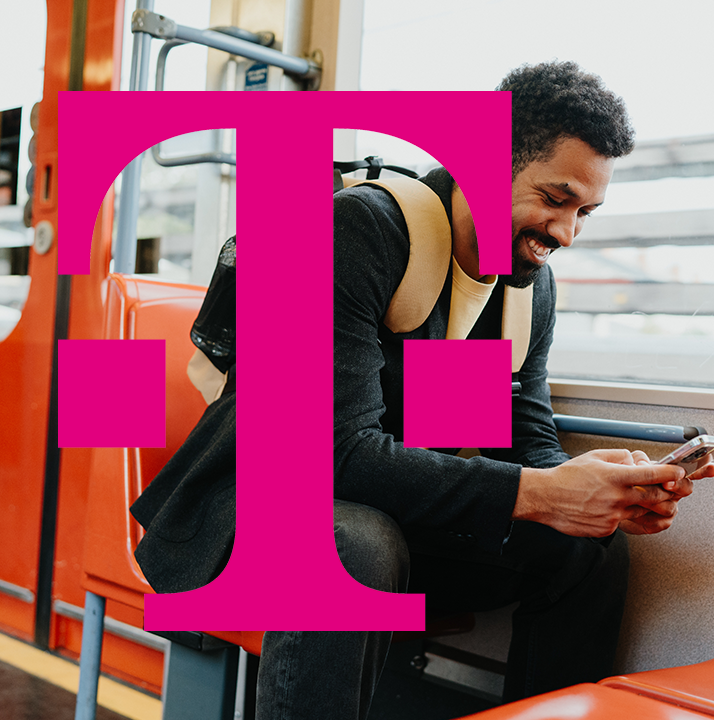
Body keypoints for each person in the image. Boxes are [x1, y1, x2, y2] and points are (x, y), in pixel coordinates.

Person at [254, 61, 714, 720]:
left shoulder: (523, 283)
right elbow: (337, 457)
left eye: (583, 211)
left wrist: (589, 493)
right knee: (355, 545)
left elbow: (521, 439)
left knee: (586, 549)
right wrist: (540, 493)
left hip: (394, 511)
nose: (564, 234)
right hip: (267, 505)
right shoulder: (357, 231)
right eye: (554, 199)